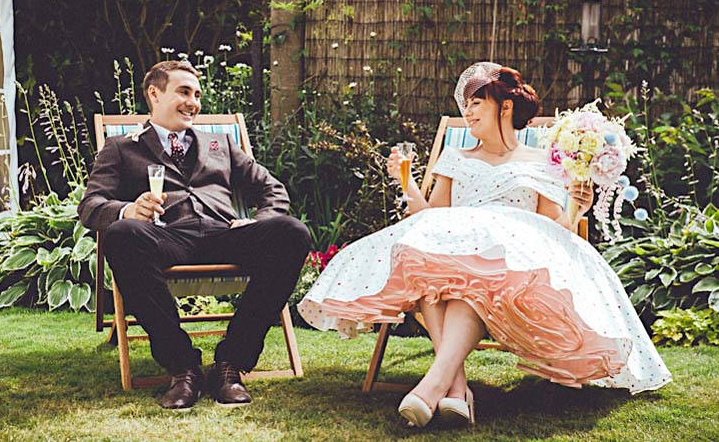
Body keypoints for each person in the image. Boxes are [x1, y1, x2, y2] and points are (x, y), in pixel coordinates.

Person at [298, 62, 671, 427]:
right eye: (466, 105)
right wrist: (406, 181)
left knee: (466, 283)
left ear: (505, 107)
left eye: (477, 103)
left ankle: (438, 387)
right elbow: (429, 219)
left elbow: (553, 232)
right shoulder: (456, 158)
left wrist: (576, 209)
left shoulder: (541, 163)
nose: (468, 112)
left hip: (510, 263)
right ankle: (453, 390)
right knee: (437, 275)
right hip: (452, 256)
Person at [79, 60, 311, 410]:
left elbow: (272, 189)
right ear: (154, 94)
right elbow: (91, 206)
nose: (193, 102)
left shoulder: (220, 144)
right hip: (168, 238)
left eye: (198, 95)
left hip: (223, 236)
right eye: (184, 92)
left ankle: (230, 362)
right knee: (122, 234)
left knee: (292, 232)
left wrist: (258, 219)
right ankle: (182, 366)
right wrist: (128, 210)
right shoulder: (122, 147)